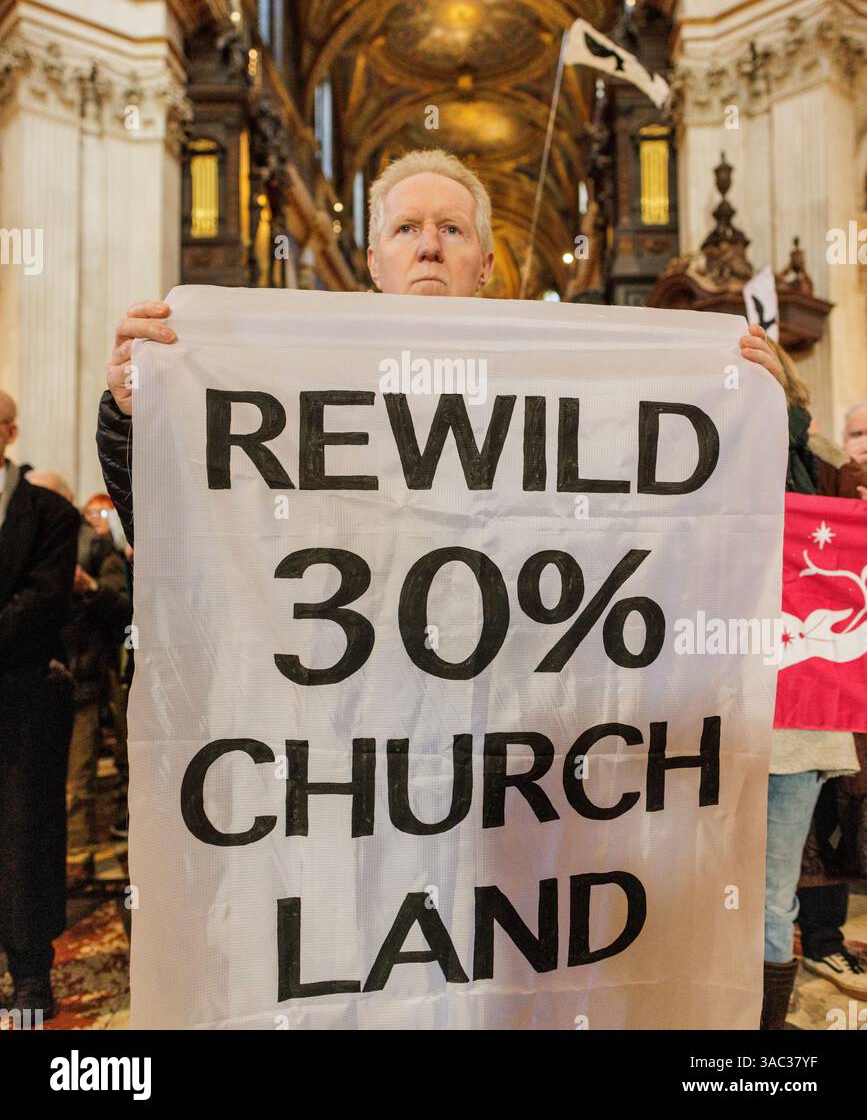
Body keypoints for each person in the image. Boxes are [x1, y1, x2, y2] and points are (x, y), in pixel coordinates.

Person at [97, 148, 787, 538]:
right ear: (373, 261)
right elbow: (188, 521)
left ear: (486, 264)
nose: (428, 245)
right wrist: (132, 416)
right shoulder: (295, 379)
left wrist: (762, 417)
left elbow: (692, 524)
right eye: (406, 229)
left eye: (452, 229)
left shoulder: (558, 380)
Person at [760, 347, 867, 1029]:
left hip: (792, 716)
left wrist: (785, 414)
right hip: (698, 709)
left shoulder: (818, 461)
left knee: (772, 898)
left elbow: (854, 491)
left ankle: (752, 1054)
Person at [0, 393, 79, 1018]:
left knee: (24, 836)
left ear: (9, 432)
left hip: (21, 696)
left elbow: (43, 600)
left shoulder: (48, 511)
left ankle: (30, 972)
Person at [61, 495, 132, 883]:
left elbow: (120, 607)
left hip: (89, 671)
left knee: (83, 771)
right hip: (46, 673)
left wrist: (87, 585)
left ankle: (80, 852)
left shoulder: (97, 549)